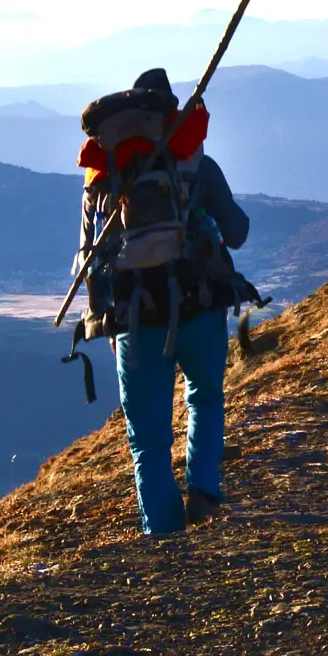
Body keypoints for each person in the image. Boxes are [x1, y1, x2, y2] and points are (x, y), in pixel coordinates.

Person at [76, 67, 251, 536]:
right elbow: (236, 231)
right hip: (200, 305)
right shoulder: (195, 163)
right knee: (206, 398)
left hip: (137, 317)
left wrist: (108, 323)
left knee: (148, 441)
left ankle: (165, 538)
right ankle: (204, 492)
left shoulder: (104, 177)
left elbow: (92, 261)